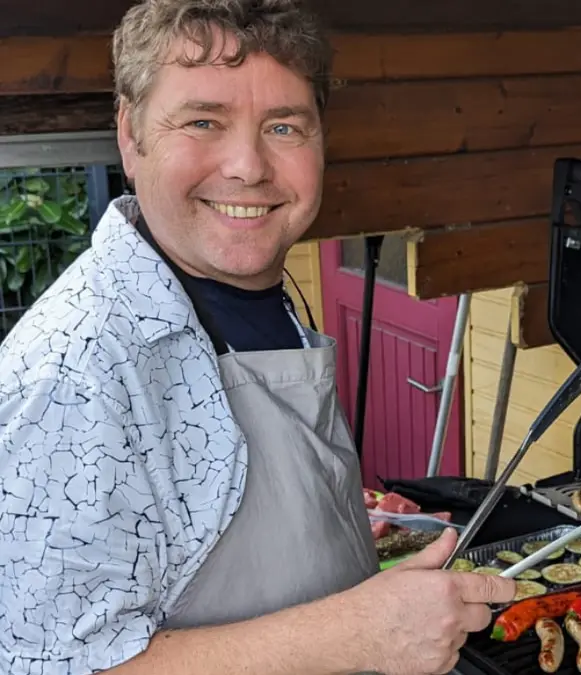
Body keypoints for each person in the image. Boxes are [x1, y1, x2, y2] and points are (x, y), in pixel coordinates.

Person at [0, 1, 516, 674]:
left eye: (284, 125)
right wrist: (361, 631)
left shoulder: (257, 294)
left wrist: (349, 561)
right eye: (203, 121)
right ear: (131, 135)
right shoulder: (73, 376)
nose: (248, 166)